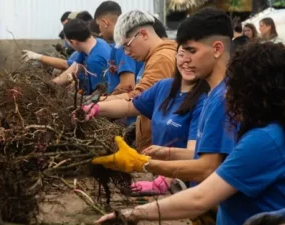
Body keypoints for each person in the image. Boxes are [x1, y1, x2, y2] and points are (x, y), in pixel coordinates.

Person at [94, 41, 285, 225]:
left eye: (233, 85)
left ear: (256, 91)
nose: (227, 93)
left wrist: (134, 211)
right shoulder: (269, 129)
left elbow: (200, 198)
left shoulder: (264, 140)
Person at [91, 7, 236, 224]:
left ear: (217, 49)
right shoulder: (211, 94)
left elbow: (206, 168)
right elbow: (132, 105)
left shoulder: (221, 99)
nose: (184, 59)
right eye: (181, 52)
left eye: (191, 51)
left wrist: (144, 164)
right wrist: (94, 108)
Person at [83, 45, 209, 194]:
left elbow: (194, 155)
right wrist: (96, 108)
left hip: (187, 183)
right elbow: (130, 107)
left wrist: (166, 179)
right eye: (181, 55)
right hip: (158, 171)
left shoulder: (206, 99)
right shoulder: (165, 86)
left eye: (193, 55)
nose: (186, 62)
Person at [95, 10, 177, 150]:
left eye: (127, 45)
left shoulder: (161, 59)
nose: (126, 53)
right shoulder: (153, 57)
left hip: (161, 147)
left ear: (144, 34)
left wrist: (96, 105)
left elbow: (139, 99)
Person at [52, 19, 111, 95]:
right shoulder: (96, 43)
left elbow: (100, 93)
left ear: (74, 42)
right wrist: (52, 84)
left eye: (68, 42)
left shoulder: (95, 61)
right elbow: (72, 69)